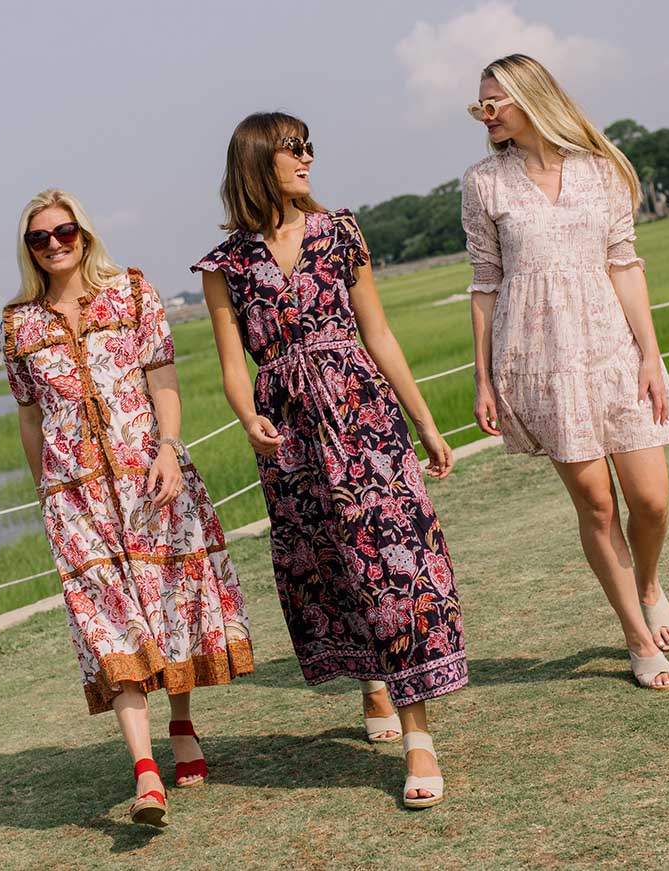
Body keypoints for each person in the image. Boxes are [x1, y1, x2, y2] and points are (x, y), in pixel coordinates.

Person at [192, 113, 467, 809]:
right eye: (294, 150)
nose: (308, 157)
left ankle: (418, 735)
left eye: (309, 147)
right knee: (329, 564)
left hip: (363, 416)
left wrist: (425, 419)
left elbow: (377, 331)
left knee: (394, 558)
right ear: (260, 163)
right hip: (289, 433)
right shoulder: (223, 266)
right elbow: (231, 364)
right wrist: (246, 413)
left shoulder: (342, 232)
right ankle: (370, 680)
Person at [1, 188, 253, 827]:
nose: (55, 245)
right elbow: (30, 418)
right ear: (28, 249)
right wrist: (47, 494)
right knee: (109, 625)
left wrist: (170, 449)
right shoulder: (18, 324)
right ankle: (146, 775)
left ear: (84, 233)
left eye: (65, 232)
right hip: (76, 499)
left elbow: (162, 379)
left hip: (149, 478)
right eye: (40, 238)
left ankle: (182, 722)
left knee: (165, 605)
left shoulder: (133, 291)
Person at [462, 55, 669, 690]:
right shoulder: (484, 183)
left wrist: (650, 353)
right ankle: (637, 636)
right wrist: (482, 377)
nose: (486, 115)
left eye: (494, 102)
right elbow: (485, 284)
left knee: (651, 499)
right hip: (536, 356)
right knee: (596, 503)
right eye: (479, 106)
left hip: (613, 347)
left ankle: (648, 581)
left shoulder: (603, 170)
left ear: (531, 99)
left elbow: (625, 263)